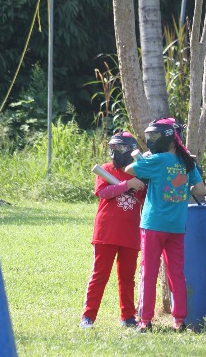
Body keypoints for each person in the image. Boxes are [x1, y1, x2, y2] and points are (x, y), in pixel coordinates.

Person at [125, 118, 206, 333]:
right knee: (176, 274)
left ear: (170, 138)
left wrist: (149, 159)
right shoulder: (187, 161)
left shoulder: (157, 160)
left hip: (153, 225)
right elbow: (200, 189)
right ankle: (179, 321)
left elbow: (129, 169)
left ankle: (145, 321)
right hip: (176, 226)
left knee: (148, 273)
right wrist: (180, 183)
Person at [80, 131, 147, 329]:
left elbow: (145, 200)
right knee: (99, 275)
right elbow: (103, 192)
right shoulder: (106, 170)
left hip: (130, 234)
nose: (115, 153)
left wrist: (139, 184)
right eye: (113, 148)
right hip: (106, 233)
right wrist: (127, 184)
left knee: (127, 278)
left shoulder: (139, 173)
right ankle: (88, 316)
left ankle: (127, 317)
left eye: (120, 148)